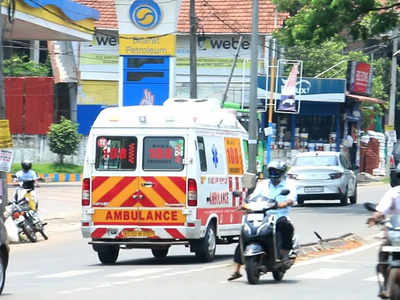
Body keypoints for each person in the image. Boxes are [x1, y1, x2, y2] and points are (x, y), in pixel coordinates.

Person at [227, 159, 297, 281]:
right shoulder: (263, 184)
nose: (274, 174)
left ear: (282, 173)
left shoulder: (289, 185)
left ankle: (285, 255)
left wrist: (285, 203)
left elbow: (291, 198)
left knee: (285, 226)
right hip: (262, 214)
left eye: (276, 172)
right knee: (246, 234)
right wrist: (246, 204)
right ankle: (236, 270)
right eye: (272, 171)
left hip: (279, 215)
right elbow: (253, 197)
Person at [367, 170, 400, 299]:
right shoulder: (394, 192)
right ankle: (385, 284)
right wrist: (375, 217)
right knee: (383, 252)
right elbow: (381, 209)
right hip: (395, 231)